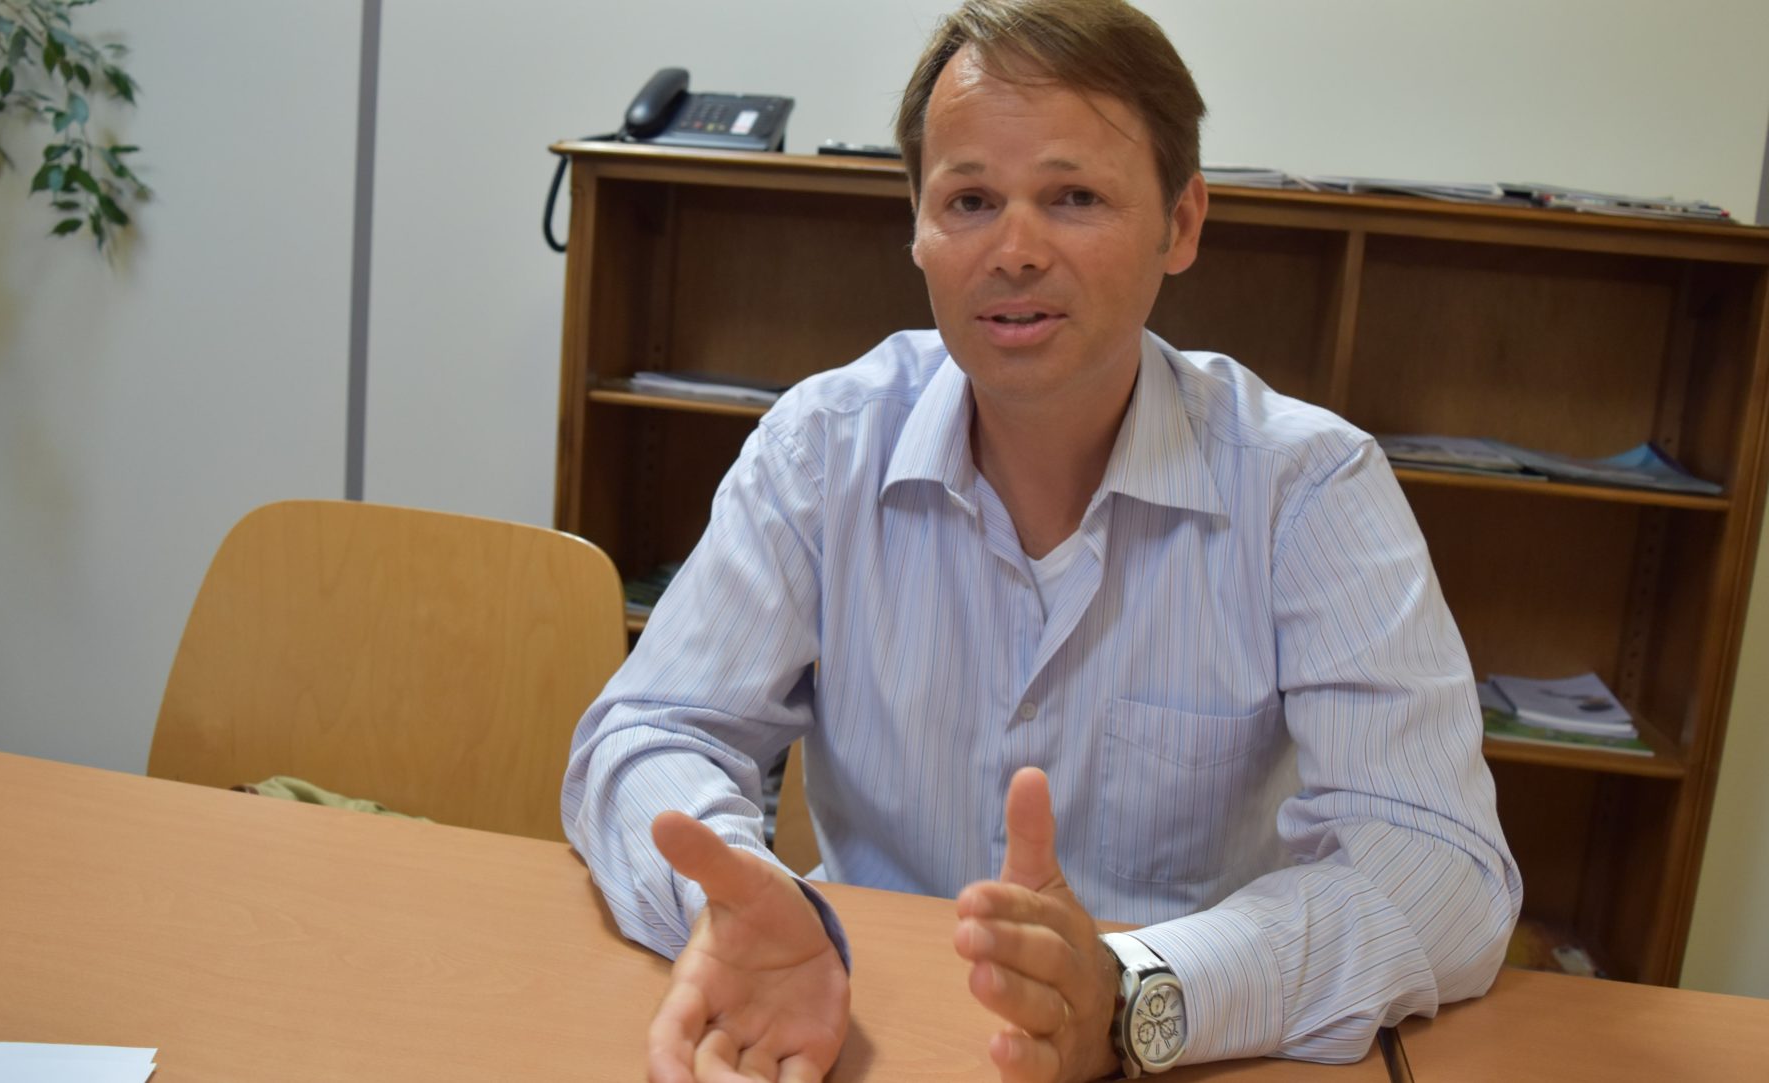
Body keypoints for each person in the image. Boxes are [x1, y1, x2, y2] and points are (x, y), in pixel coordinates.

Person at [562, 1, 1522, 1080]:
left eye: (1074, 197)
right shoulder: (823, 448)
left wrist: (1141, 992)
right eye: (970, 200)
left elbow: (1440, 867)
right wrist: (741, 896)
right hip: (853, 1029)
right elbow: (646, 738)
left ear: (1183, 222)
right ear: (917, 227)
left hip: (1190, 1054)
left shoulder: (1307, 489)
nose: (1014, 251)